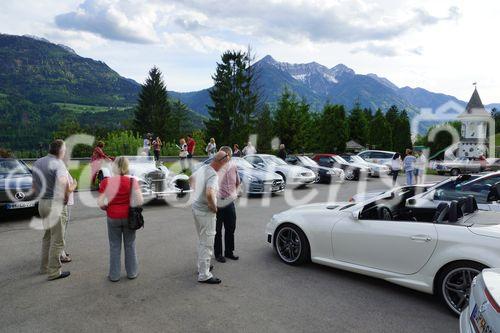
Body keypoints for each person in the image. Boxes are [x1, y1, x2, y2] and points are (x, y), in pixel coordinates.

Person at [98, 156, 144, 282]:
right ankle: (132, 273)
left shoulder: (106, 182)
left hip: (113, 217)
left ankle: (114, 275)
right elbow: (140, 200)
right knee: (130, 245)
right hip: (129, 217)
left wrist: (108, 209)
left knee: (114, 246)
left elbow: (100, 202)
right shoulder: (132, 181)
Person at [32, 139, 73, 280]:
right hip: (55, 204)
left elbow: (34, 185)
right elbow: (63, 183)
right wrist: (66, 198)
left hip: (42, 203)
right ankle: (54, 272)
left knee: (47, 236)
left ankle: (44, 267)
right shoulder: (59, 164)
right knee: (58, 240)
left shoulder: (38, 162)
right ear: (61, 151)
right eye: (65, 149)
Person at [190, 151, 229, 284]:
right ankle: (204, 274)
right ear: (221, 161)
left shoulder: (203, 168)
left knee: (202, 239)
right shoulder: (213, 174)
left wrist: (197, 195)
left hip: (196, 209)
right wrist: (214, 208)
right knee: (207, 243)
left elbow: (191, 179)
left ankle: (202, 266)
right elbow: (209, 193)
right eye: (226, 163)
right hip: (205, 213)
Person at [214, 146, 241, 263]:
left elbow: (237, 181)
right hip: (218, 201)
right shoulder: (216, 167)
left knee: (231, 227)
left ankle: (229, 252)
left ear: (229, 156)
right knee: (217, 230)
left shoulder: (234, 166)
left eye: (226, 155)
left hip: (230, 202)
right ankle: (218, 254)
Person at [60, 169, 77, 263]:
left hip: (63, 202)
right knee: (62, 230)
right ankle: (61, 254)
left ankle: (61, 251)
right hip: (65, 203)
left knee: (61, 230)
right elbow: (67, 189)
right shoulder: (61, 168)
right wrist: (74, 184)